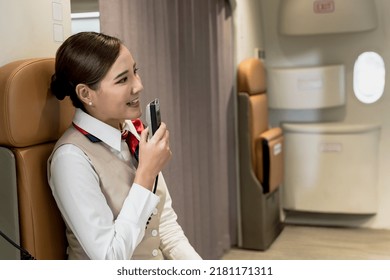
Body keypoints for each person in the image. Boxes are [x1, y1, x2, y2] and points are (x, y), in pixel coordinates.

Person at [48, 31, 202, 260]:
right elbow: (110, 257)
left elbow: (166, 228)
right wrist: (146, 175)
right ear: (85, 93)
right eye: (123, 79)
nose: (138, 86)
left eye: (135, 72)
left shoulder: (132, 133)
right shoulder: (71, 158)